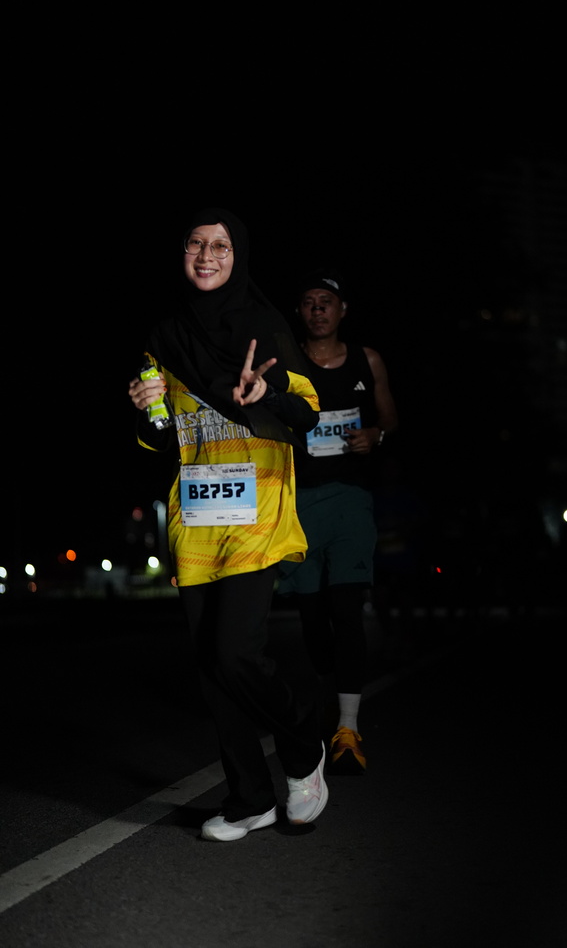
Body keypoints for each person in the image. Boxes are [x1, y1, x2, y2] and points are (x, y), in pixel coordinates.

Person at [128, 208, 328, 842]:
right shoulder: (165, 336)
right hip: (197, 515)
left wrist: (266, 393)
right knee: (212, 671)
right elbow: (159, 440)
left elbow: (307, 413)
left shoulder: (265, 328)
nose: (206, 255)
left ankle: (304, 747)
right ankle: (251, 798)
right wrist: (149, 411)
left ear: (238, 255)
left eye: (220, 246)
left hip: (257, 509)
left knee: (235, 652)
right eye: (195, 244)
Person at [277, 269, 398, 773]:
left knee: (346, 610)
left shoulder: (368, 360)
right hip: (299, 503)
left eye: (326, 301)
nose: (318, 309)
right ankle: (331, 693)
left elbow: (389, 418)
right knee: (313, 621)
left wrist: (376, 435)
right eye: (309, 302)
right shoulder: (286, 363)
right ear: (299, 312)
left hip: (351, 500)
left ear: (342, 309)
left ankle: (348, 727)